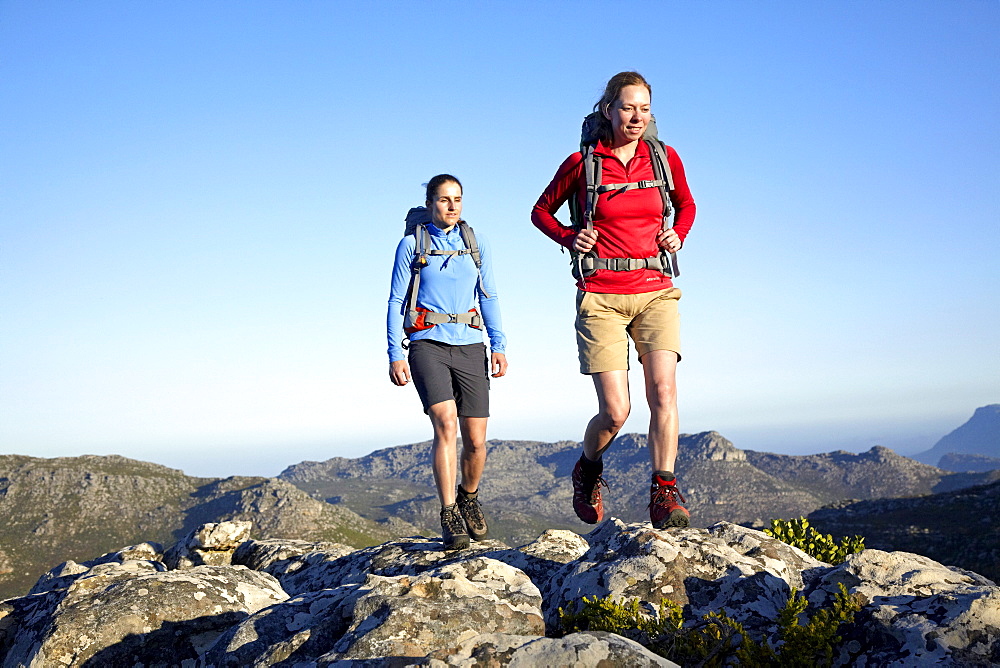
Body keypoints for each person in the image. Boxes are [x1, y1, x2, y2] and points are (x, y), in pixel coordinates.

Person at [531, 72, 696, 529]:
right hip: (600, 295)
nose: (637, 117)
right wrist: (569, 236)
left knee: (663, 392)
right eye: (628, 108)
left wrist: (676, 235)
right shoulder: (581, 164)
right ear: (608, 109)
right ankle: (589, 467)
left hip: (656, 289)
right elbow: (540, 211)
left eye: (645, 109)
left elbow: (687, 206)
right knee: (616, 411)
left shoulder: (664, 159)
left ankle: (664, 492)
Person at [387, 174, 508, 550]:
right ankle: (449, 511)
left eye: (457, 199)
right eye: (443, 199)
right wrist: (395, 353)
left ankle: (469, 496)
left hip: (471, 345)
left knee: (476, 441)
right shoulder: (411, 246)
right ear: (430, 204)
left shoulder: (476, 243)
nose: (452, 206)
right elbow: (394, 301)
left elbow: (488, 295)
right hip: (427, 344)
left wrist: (499, 344)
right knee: (445, 423)